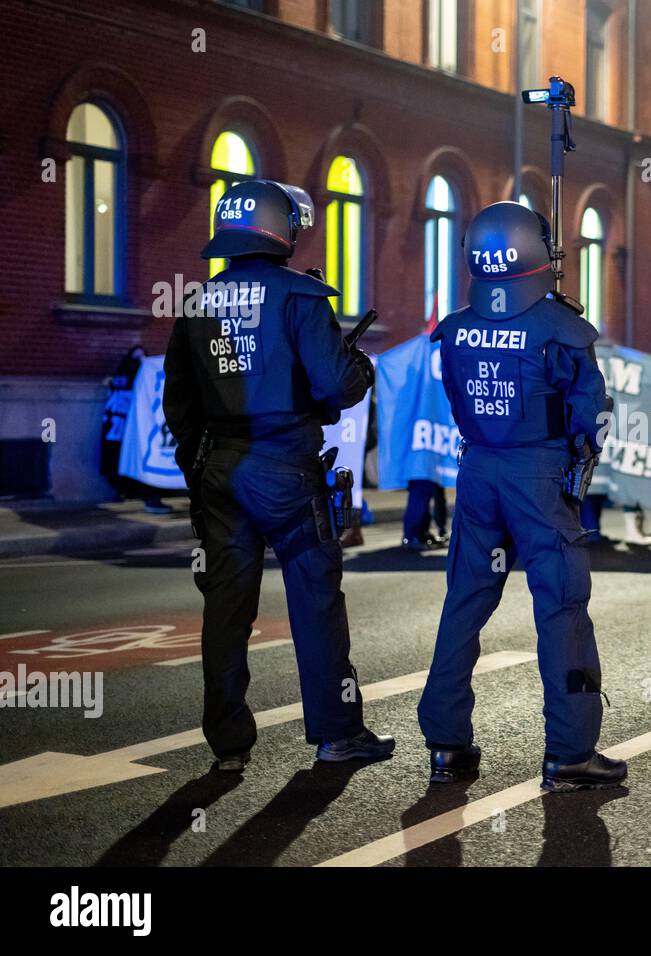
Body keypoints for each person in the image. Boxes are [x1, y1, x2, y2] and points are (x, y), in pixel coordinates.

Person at [163, 179, 395, 771]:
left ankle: (228, 748)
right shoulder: (301, 296)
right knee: (315, 602)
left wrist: (200, 473)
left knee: (226, 609)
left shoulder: (195, 303)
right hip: (287, 465)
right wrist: (358, 366)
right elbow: (335, 385)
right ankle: (337, 733)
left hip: (220, 468)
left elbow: (180, 405)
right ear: (280, 229)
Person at [418, 201, 626, 792]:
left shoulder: (455, 329)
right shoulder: (561, 328)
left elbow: (460, 403)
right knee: (561, 610)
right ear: (535, 253)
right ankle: (570, 753)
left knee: (464, 604)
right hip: (540, 479)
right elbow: (593, 418)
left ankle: (447, 746)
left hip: (480, 473)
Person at [100, 344, 173, 514]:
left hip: (124, 433)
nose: (140, 361)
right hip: (129, 434)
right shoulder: (136, 379)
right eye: (137, 357)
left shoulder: (122, 379)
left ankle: (130, 492)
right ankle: (144, 496)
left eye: (143, 357)